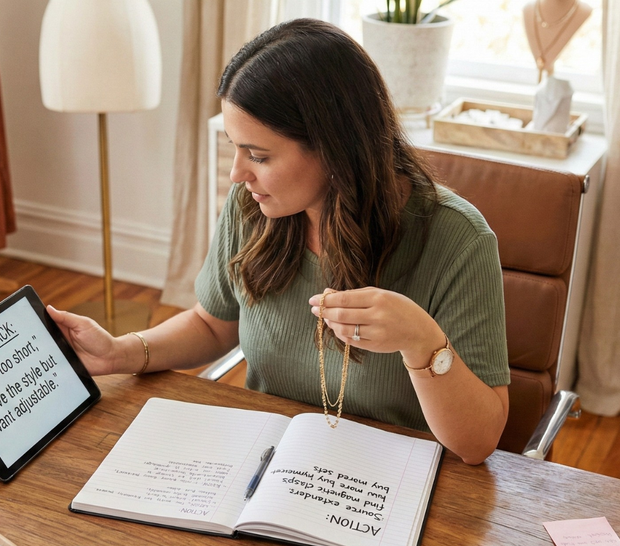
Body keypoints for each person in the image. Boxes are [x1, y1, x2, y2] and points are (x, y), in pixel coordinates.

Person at [48, 19, 510, 464]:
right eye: (236, 147)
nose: (237, 174)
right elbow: (213, 325)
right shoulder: (254, 206)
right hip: (264, 466)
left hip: (390, 487)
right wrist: (120, 352)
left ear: (334, 147)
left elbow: (477, 443)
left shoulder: (456, 239)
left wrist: (421, 340)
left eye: (259, 155)